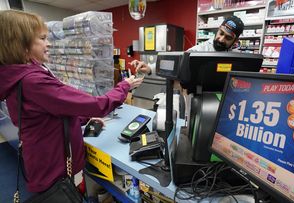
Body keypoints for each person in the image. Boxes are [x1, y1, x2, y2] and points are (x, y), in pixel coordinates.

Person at [0, 10, 146, 196]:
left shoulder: (18, 77)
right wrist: (124, 86)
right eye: (43, 38)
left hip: (45, 164)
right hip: (56, 172)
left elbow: (53, 112)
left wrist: (83, 119)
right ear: (22, 45)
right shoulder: (33, 81)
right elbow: (97, 105)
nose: (49, 43)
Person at [129, 15, 244, 74]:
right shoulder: (201, 49)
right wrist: (150, 68)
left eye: (228, 38)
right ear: (218, 30)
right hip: (200, 101)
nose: (221, 39)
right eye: (221, 33)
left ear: (235, 41)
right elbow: (177, 62)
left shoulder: (239, 57)